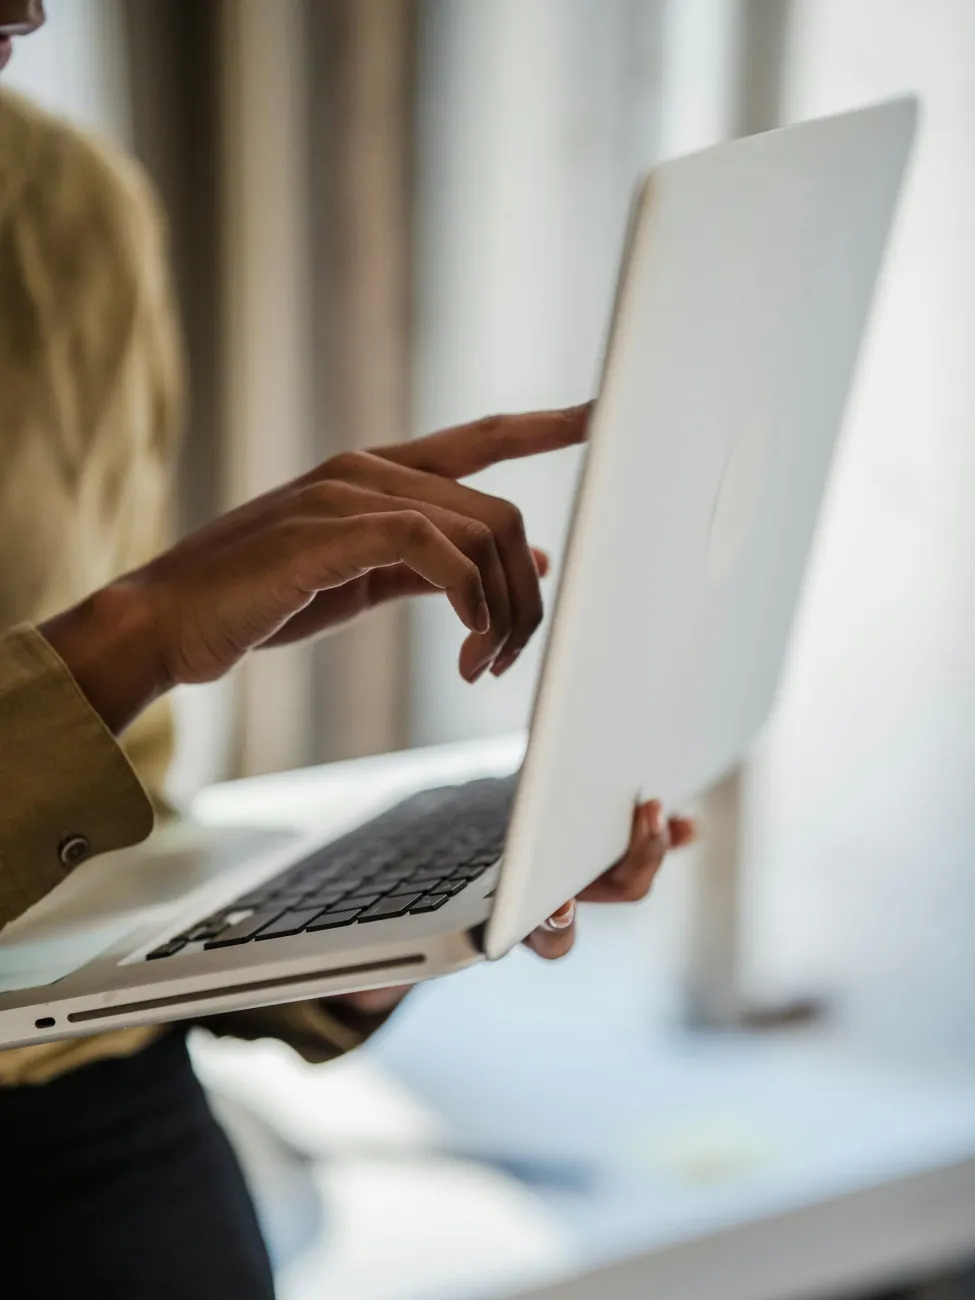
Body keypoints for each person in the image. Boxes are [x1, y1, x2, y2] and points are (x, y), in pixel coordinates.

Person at [0, 3, 694, 1297]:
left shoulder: (63, 208)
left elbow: (96, 843)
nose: (30, 10)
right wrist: (136, 630)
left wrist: (359, 941)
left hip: (86, 1116)